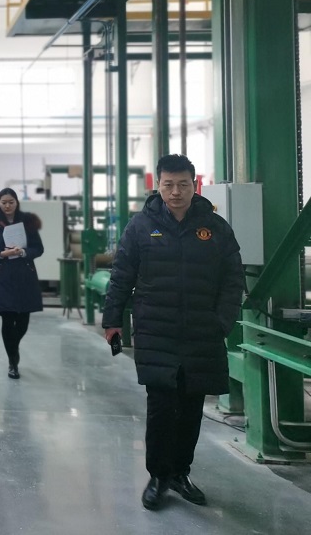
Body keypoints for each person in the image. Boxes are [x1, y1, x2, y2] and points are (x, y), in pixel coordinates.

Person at [103, 154, 244, 511]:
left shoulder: (215, 228)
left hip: (201, 331)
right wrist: (112, 320)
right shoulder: (141, 227)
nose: (176, 192)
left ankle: (181, 473)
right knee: (161, 407)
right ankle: (158, 476)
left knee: (192, 407)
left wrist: (221, 322)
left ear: (194, 185)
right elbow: (121, 275)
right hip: (157, 331)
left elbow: (233, 279)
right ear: (159, 186)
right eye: (169, 185)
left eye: (183, 184)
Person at [0, 187, 44, 379]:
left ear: (17, 202)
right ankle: (13, 361)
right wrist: (2, 254)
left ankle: (13, 347)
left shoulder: (27, 221)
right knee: (8, 318)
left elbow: (38, 248)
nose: (7, 206)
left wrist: (24, 252)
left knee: (23, 320)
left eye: (11, 202)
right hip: (3, 276)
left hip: (25, 275)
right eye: (4, 202)